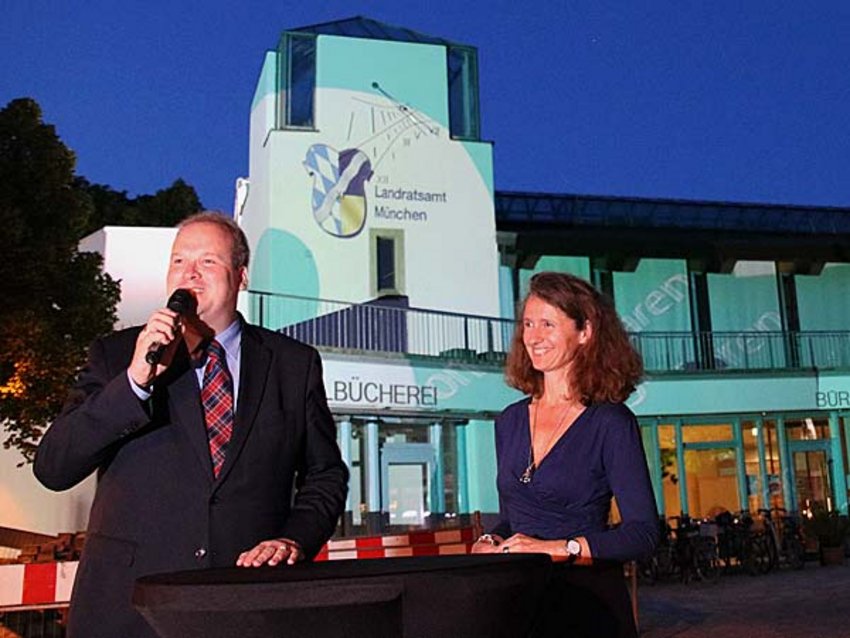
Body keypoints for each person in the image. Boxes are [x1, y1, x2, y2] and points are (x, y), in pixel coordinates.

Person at [34, 212, 348, 638]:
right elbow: (53, 467)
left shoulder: (293, 364)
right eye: (179, 261)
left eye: (207, 262)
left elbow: (325, 474)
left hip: (245, 609)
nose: (190, 274)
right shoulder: (117, 356)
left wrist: (293, 539)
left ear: (241, 276)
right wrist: (134, 384)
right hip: (128, 612)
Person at [472, 272, 658, 638]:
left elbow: (644, 534)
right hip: (521, 607)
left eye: (547, 324)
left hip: (587, 609)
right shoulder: (508, 421)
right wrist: (491, 540)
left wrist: (560, 548)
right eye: (527, 323)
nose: (533, 336)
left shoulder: (611, 422)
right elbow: (514, 518)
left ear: (585, 331)